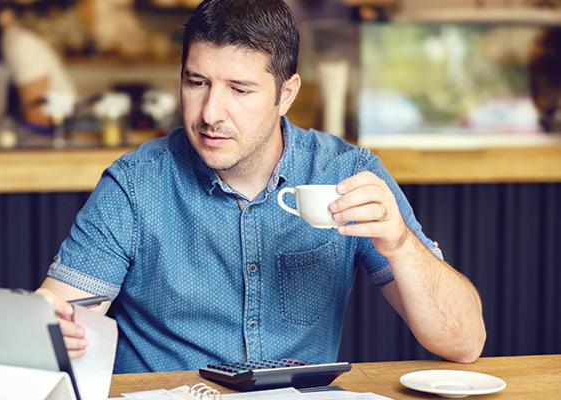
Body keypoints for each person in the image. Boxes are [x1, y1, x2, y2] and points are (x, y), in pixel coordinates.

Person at [38, 0, 486, 373]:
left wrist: (402, 245)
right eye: (197, 83)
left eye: (240, 89)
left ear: (285, 94)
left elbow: (463, 343)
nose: (211, 112)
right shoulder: (136, 184)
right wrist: (55, 328)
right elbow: (56, 326)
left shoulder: (346, 172)